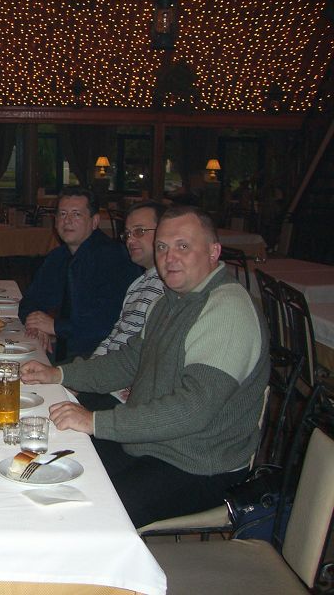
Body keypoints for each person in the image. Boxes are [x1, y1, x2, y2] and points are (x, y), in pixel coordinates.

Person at [21, 206, 269, 528]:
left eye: (183, 246)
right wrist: (59, 374)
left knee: (83, 515)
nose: (169, 257)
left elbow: (192, 410)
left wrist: (95, 421)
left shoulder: (226, 311)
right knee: (49, 463)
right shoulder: (169, 301)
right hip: (150, 444)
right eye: (162, 247)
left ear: (213, 252)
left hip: (198, 464)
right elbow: (129, 361)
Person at [18, 189, 141, 363]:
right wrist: (36, 324)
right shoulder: (58, 257)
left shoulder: (113, 258)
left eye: (76, 214)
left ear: (95, 221)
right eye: (62, 214)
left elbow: (109, 323)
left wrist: (55, 326)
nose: (67, 220)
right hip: (66, 350)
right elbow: (31, 300)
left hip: (104, 358)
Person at [79, 201, 167, 411]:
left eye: (139, 231)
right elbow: (114, 337)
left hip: (125, 397)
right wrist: (85, 377)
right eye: (127, 234)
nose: (130, 240)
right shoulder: (139, 283)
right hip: (106, 382)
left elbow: (151, 357)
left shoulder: (169, 287)